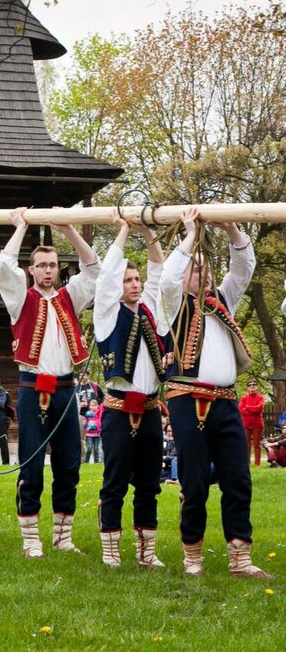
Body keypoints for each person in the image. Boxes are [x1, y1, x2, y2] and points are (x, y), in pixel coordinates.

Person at [156, 207, 272, 578]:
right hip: (187, 400)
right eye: (197, 268)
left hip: (224, 402)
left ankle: (241, 557)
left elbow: (243, 269)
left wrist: (232, 228)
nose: (202, 274)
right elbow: (170, 278)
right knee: (194, 480)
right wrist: (190, 235)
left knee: (238, 477)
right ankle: (193, 557)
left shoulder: (221, 303)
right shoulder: (172, 305)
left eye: (205, 269)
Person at [0, 207, 100, 558]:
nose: (47, 270)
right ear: (32, 269)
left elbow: (94, 269)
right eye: (41, 265)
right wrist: (22, 225)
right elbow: (4, 267)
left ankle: (62, 536)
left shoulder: (70, 296)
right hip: (31, 388)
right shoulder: (19, 299)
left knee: (69, 463)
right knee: (31, 463)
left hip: (66, 388)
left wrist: (69, 229)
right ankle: (30, 539)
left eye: (53, 265)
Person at [93, 215, 169, 567]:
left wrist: (149, 232)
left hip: (151, 409)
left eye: (136, 279)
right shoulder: (107, 313)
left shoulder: (152, 310)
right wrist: (123, 229)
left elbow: (158, 270)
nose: (135, 284)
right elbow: (106, 277)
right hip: (119, 409)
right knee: (115, 482)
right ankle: (111, 550)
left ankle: (146, 552)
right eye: (128, 280)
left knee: (150, 483)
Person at [238, 380, 265, 467]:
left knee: (256, 444)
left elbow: (259, 408)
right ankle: (247, 463)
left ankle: (257, 463)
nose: (252, 386)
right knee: (246, 444)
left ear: (256, 387)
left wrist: (248, 407)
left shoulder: (260, 398)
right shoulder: (243, 398)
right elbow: (241, 410)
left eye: (254, 385)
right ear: (247, 387)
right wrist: (253, 410)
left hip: (257, 424)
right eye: (249, 385)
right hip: (246, 424)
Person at [77, 371, 104, 456]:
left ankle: (95, 456)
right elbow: (73, 400)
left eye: (83, 375)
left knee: (95, 435)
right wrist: (79, 404)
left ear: (88, 376)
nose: (81, 376)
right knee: (81, 436)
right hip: (82, 414)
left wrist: (96, 405)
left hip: (94, 416)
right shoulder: (77, 388)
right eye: (80, 374)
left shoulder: (94, 385)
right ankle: (83, 457)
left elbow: (103, 397)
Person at [82, 399, 102, 463]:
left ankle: (96, 462)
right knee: (89, 448)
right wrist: (86, 427)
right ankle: (86, 461)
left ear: (97, 406)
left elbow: (101, 420)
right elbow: (85, 421)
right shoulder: (88, 413)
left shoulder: (99, 413)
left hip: (97, 434)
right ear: (89, 406)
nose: (93, 407)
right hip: (89, 434)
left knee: (96, 449)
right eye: (92, 405)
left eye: (95, 405)